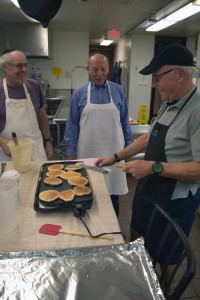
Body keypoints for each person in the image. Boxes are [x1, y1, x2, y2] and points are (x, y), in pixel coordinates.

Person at [95, 44, 200, 288]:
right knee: (136, 235)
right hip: (149, 192)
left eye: (158, 77)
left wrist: (154, 167)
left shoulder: (196, 111)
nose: (154, 85)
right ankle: (138, 277)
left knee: (168, 254)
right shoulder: (168, 101)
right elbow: (148, 137)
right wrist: (115, 156)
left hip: (175, 201)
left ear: (180, 74)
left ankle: (163, 288)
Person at [64, 53, 132, 216]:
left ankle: (113, 226)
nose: (99, 74)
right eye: (95, 69)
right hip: (88, 151)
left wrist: (129, 149)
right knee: (85, 188)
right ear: (88, 70)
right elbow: (72, 124)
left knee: (112, 192)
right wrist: (71, 151)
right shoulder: (79, 93)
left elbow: (124, 122)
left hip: (114, 151)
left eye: (103, 69)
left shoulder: (118, 91)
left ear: (108, 69)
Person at [0, 49, 54, 161]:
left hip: (36, 152)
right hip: (10, 155)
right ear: (5, 67)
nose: (24, 70)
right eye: (19, 66)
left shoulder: (33, 86)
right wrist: (2, 141)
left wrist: (48, 141)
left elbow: (41, 114)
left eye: (25, 65)